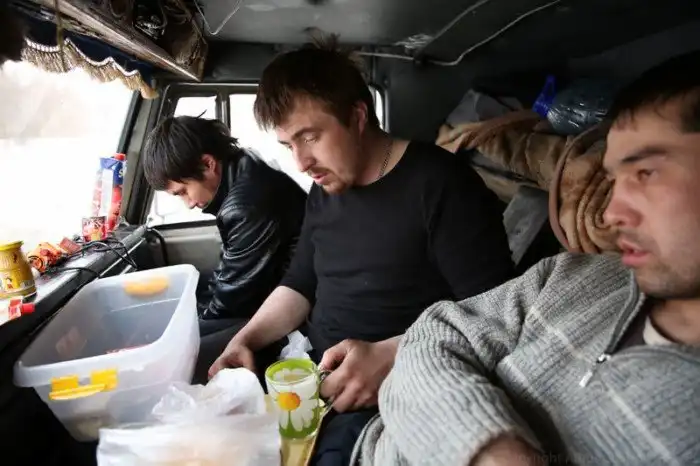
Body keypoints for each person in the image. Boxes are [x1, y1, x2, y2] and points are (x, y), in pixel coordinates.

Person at [352, 51, 700, 466]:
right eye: (614, 179)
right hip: (370, 443)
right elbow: (432, 334)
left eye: (646, 173)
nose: (610, 214)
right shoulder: (578, 274)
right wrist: (489, 451)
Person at [208, 45, 515, 465]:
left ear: (356, 116)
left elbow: (496, 311)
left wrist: (393, 354)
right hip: (307, 369)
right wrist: (244, 340)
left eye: (310, 137)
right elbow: (300, 284)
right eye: (288, 145)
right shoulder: (324, 189)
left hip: (389, 389)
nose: (301, 162)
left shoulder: (441, 184)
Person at [142, 116, 307, 382]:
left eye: (183, 191)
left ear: (208, 164)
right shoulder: (244, 167)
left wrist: (192, 323)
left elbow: (233, 298)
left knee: (173, 362)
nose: (188, 204)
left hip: (291, 310)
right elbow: (232, 272)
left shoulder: (246, 204)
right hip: (270, 291)